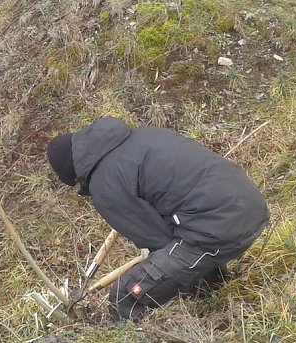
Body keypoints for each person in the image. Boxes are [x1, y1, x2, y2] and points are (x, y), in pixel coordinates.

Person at [46, 117, 269, 320]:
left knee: (124, 296)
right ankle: (213, 302)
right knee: (188, 243)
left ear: (72, 172)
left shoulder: (104, 185)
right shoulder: (143, 135)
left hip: (219, 226)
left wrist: (157, 281)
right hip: (251, 205)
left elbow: (160, 241)